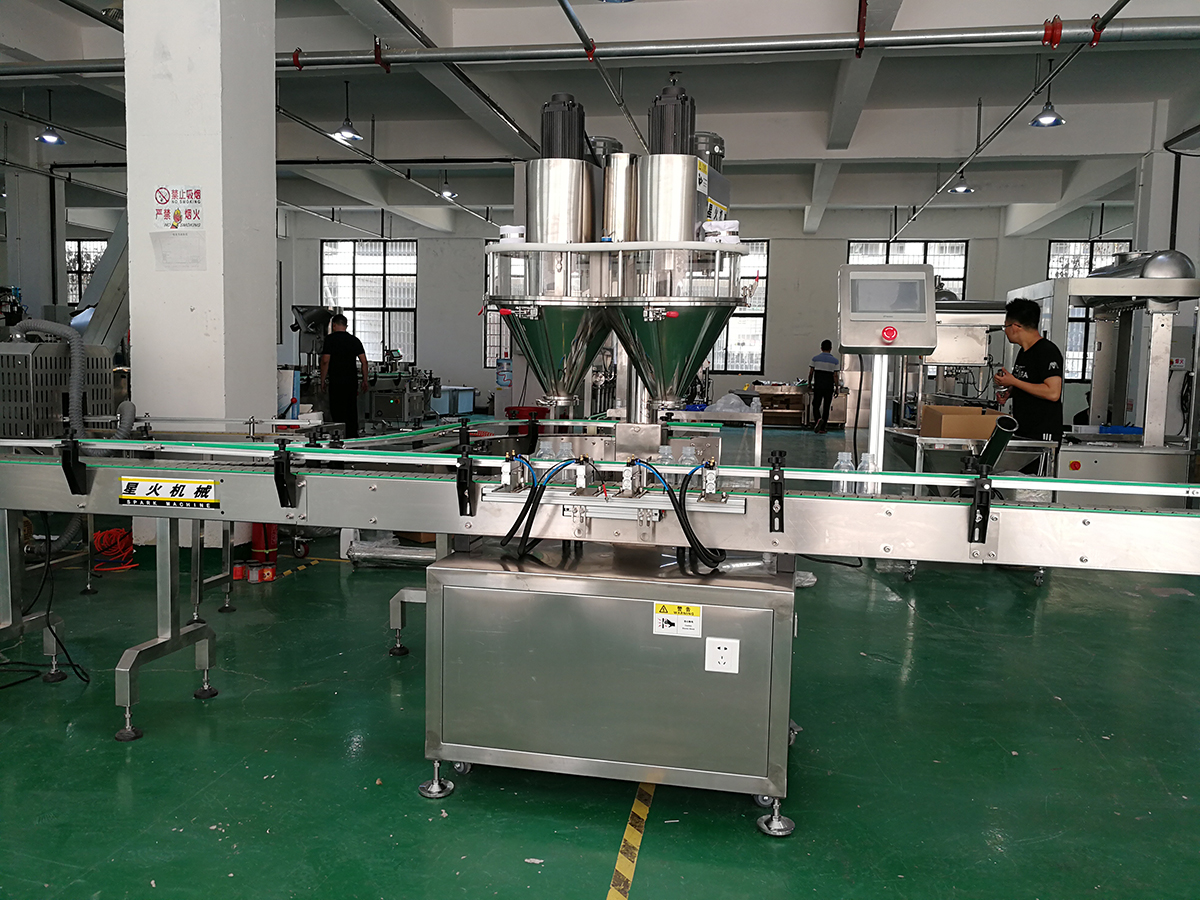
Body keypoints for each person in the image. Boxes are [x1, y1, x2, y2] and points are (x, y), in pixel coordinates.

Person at [994, 298, 1064, 443]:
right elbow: (1028, 382)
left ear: (1015, 327)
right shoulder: (1024, 352)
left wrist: (1014, 381)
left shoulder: (1046, 351)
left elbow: (1053, 393)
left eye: (1005, 326)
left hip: (1042, 433)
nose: (1005, 331)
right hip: (1024, 429)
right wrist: (1010, 391)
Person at [319, 314, 368, 439]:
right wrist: (365, 380)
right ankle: (352, 436)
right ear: (346, 326)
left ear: (334, 326)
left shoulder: (330, 340)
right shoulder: (354, 340)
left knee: (337, 409)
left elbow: (325, 361)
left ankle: (338, 436)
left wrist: (322, 380)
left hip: (336, 381)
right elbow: (364, 362)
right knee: (351, 409)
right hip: (351, 381)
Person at [808, 339, 840, 433]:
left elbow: (811, 373)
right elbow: (835, 376)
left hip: (818, 385)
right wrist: (837, 388)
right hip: (829, 386)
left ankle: (818, 419)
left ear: (821, 348)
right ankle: (822, 428)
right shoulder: (835, 361)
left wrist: (809, 383)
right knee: (826, 407)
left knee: (815, 405)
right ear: (831, 349)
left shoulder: (815, 359)